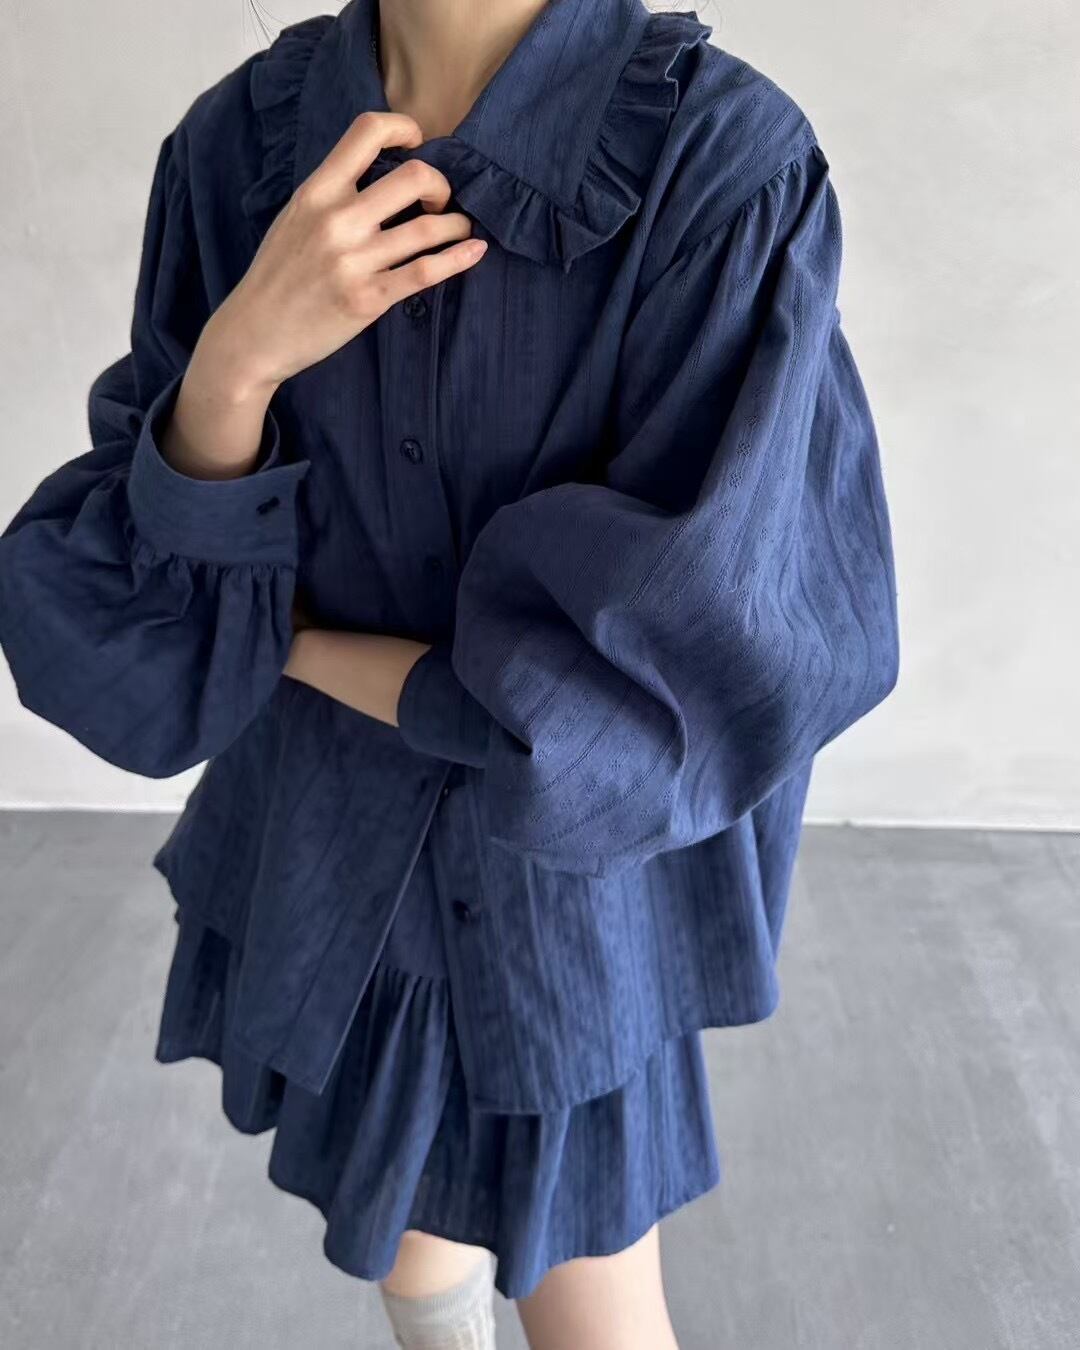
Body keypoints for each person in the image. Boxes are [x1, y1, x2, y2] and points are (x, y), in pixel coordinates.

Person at [0, 0, 901, 1345]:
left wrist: (294, 645)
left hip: (568, 904)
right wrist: (237, 365)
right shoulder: (236, 149)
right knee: (411, 1243)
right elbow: (139, 631)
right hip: (334, 860)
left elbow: (684, 666)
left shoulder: (717, 164)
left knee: (594, 1296)